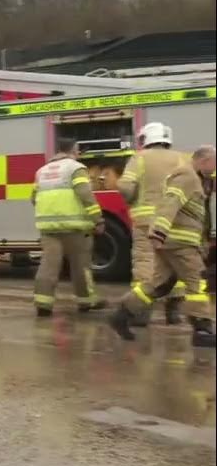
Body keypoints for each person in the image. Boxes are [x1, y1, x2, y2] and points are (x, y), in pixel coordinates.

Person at [110, 145, 217, 348]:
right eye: (214, 163)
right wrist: (158, 232)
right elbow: (170, 203)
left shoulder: (195, 177)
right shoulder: (187, 176)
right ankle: (202, 329)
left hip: (175, 241)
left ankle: (121, 315)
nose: (214, 168)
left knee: (158, 284)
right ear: (204, 160)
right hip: (179, 242)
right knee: (198, 281)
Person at [116, 122, 188, 326]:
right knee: (174, 264)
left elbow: (126, 186)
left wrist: (130, 200)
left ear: (146, 139)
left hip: (147, 222)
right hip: (176, 222)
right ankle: (173, 312)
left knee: (146, 264)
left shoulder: (139, 159)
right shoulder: (181, 159)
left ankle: (140, 313)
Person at [31, 137, 108, 316]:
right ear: (73, 150)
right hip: (75, 228)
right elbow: (85, 194)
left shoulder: (41, 171)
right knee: (81, 266)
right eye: (78, 150)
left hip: (49, 228)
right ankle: (86, 301)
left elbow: (34, 198)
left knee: (48, 267)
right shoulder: (76, 168)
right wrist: (98, 219)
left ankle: (43, 304)